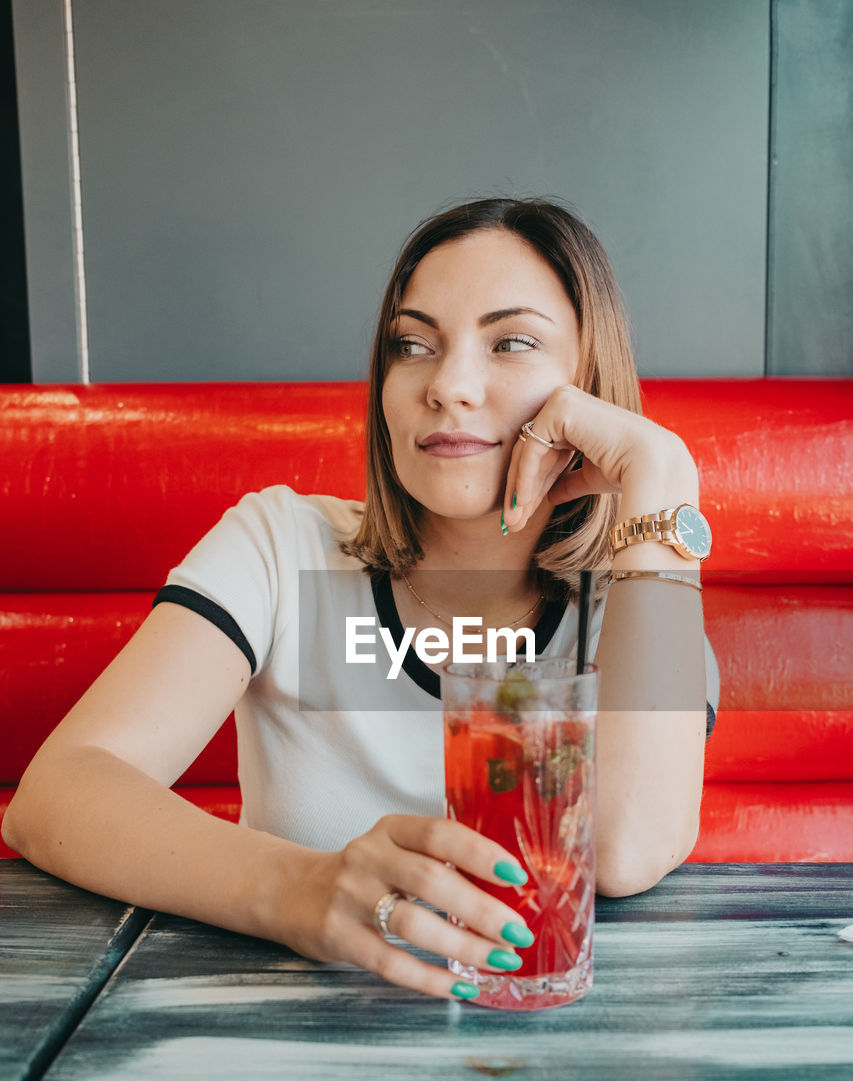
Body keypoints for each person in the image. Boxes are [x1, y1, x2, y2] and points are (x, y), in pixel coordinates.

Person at [2, 197, 719, 1003]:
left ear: (589, 386)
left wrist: (661, 473)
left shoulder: (642, 605)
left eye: (510, 342)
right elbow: (56, 793)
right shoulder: (278, 543)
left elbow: (623, 850)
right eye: (412, 345)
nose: (446, 385)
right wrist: (303, 889)